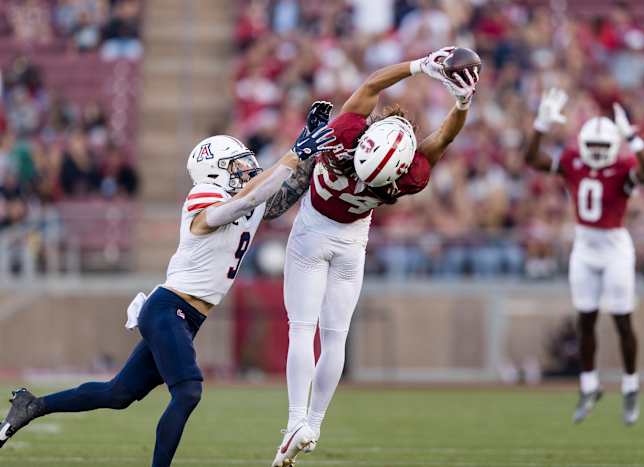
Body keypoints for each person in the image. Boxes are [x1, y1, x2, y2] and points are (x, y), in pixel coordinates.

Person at [0, 102, 336, 467]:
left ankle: (33, 405)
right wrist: (295, 150)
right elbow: (250, 198)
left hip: (183, 314)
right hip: (169, 307)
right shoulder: (204, 196)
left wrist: (310, 148)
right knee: (188, 391)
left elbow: (282, 194)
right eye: (236, 164)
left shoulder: (245, 199)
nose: (247, 168)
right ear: (215, 170)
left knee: (119, 392)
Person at [272, 47, 479, 466]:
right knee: (335, 338)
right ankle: (315, 421)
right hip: (352, 243)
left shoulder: (346, 134)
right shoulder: (410, 176)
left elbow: (371, 84)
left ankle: (295, 420)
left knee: (301, 329)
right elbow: (445, 137)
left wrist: (420, 65)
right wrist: (461, 102)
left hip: (313, 232)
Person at [524, 88, 644, 425]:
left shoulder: (624, 164)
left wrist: (633, 137)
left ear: (614, 147)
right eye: (593, 147)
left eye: (603, 147)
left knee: (621, 319)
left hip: (614, 247)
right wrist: (540, 125)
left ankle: (630, 386)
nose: (597, 153)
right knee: (585, 319)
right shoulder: (572, 161)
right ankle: (589, 384)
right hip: (584, 247)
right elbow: (532, 159)